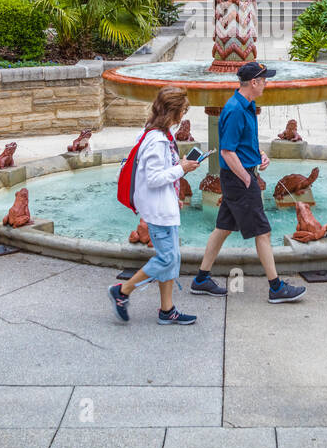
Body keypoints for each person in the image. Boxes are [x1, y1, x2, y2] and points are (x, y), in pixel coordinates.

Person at [190, 62, 306, 304]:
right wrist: (246, 177)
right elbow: (227, 152)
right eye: (264, 80)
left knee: (222, 228)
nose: (266, 84)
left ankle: (201, 279)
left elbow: (244, 143)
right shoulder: (234, 110)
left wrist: (259, 155)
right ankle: (276, 288)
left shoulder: (248, 105)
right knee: (263, 230)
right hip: (239, 179)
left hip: (239, 175)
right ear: (254, 82)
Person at [108, 86, 202, 325]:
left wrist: (175, 190)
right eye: (183, 110)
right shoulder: (157, 141)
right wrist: (183, 168)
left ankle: (167, 309)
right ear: (175, 111)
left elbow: (160, 176)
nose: (184, 115)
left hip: (163, 207)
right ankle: (122, 291)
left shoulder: (154, 134)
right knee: (166, 259)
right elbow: (153, 178)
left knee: (172, 258)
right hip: (158, 213)